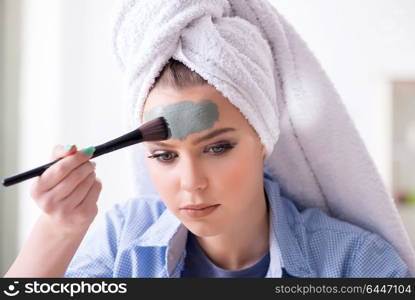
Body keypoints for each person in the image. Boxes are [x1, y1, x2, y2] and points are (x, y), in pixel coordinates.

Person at [5, 0, 414, 277]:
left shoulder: (353, 263)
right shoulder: (122, 244)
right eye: (165, 155)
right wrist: (59, 229)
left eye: (218, 147)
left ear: (262, 138)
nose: (191, 182)